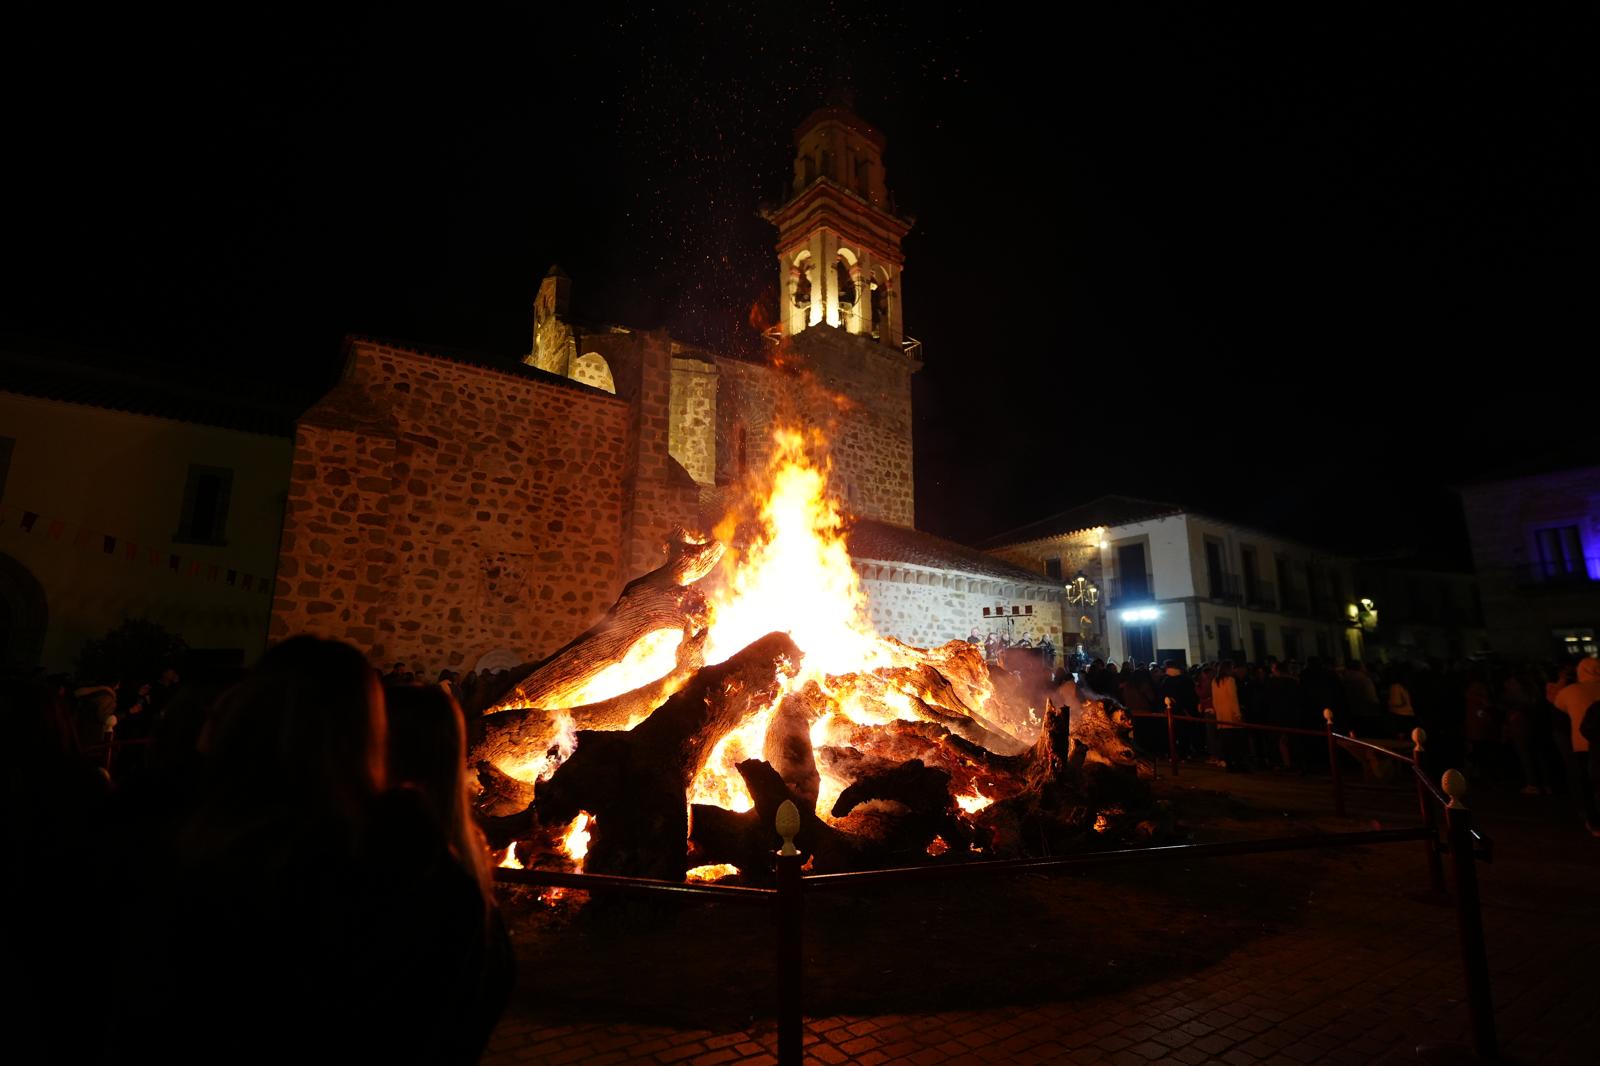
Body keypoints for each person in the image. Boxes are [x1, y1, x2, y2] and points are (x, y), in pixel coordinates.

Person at [1553, 657, 1600, 834]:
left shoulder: (1570, 691)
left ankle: (1594, 821)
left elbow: (1558, 711)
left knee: (1586, 783)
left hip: (1582, 743)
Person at [1212, 660, 1248, 771]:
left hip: (1221, 715)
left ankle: (1229, 764)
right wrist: (1238, 714)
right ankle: (1238, 764)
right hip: (1231, 715)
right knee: (1236, 742)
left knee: (1226, 742)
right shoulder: (1230, 680)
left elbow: (1215, 699)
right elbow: (1233, 699)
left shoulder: (1215, 681)